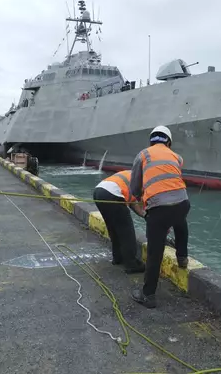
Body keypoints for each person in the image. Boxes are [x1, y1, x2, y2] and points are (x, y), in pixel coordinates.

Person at [129, 125, 191, 308]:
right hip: (183, 203)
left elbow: (134, 188)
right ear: (169, 141)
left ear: (151, 140)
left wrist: (141, 196)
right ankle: (182, 258)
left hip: (158, 208)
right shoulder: (177, 157)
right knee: (181, 223)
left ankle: (148, 295)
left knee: (155, 253)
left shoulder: (142, 155)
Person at [93, 170, 146, 274]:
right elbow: (137, 202)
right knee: (127, 231)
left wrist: (145, 215)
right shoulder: (143, 180)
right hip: (113, 194)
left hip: (99, 192)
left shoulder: (131, 175)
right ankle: (132, 264)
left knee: (113, 228)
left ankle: (117, 258)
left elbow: (133, 202)